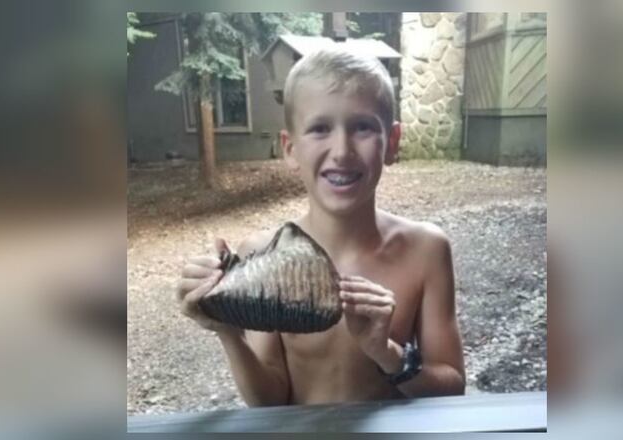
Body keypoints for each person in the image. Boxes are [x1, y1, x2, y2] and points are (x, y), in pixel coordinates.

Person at [177, 47, 465, 406]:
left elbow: (453, 387)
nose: (342, 150)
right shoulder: (263, 255)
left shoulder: (426, 250)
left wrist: (388, 354)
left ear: (391, 143)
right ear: (290, 149)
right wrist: (227, 330)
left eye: (362, 127)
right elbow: (270, 400)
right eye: (319, 128)